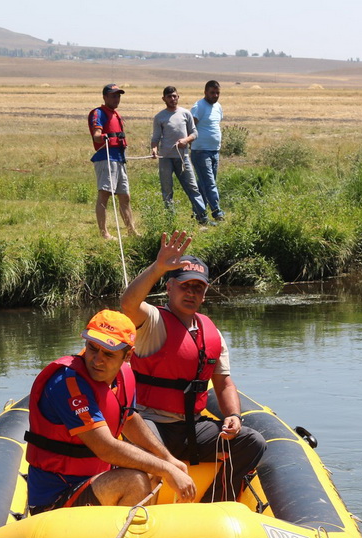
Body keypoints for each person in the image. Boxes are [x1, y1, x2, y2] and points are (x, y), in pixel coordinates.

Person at [121, 232, 267, 502]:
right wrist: (158, 267)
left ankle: (214, 503)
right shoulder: (152, 321)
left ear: (204, 293)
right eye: (184, 286)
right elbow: (128, 303)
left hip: (191, 428)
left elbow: (223, 382)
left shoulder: (211, 331)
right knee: (147, 453)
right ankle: (146, 514)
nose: (191, 293)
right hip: (149, 423)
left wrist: (233, 416)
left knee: (252, 441)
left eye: (197, 288)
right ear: (170, 287)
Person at [24, 309, 195, 514]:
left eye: (108, 353)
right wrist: (165, 468)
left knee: (152, 468)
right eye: (92, 348)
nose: (97, 360)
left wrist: (167, 459)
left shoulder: (124, 376)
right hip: (55, 499)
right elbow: (106, 448)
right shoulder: (67, 384)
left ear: (128, 355)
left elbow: (129, 419)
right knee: (135, 480)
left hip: (92, 481)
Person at [150, 86, 208, 225]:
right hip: (165, 158)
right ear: (164, 99)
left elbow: (194, 133)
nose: (172, 99)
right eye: (169, 96)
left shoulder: (185, 114)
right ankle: (170, 219)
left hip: (183, 157)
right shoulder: (159, 117)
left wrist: (186, 141)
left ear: (178, 97)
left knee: (192, 187)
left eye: (174, 96)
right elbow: (155, 137)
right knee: (167, 189)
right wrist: (154, 149)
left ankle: (202, 217)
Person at [89, 84, 139, 240]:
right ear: (105, 97)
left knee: (125, 197)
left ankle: (132, 231)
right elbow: (96, 134)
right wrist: (103, 136)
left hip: (119, 158)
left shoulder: (115, 114)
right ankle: (104, 233)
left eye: (118, 96)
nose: (116, 98)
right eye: (113, 96)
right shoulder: (98, 113)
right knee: (104, 195)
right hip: (106, 157)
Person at [190, 80, 225, 223]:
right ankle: (217, 212)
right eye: (212, 93)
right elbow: (190, 125)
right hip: (200, 151)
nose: (215, 95)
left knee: (205, 183)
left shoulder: (218, 107)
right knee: (209, 183)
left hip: (214, 151)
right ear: (205, 92)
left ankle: (200, 214)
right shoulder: (199, 107)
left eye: (217, 93)